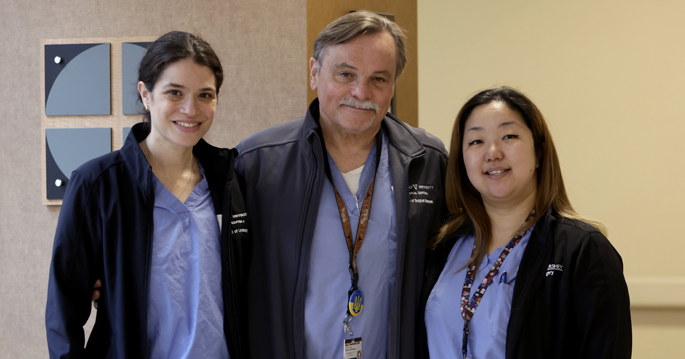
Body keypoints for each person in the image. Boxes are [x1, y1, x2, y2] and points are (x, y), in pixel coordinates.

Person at [234, 11, 447, 359]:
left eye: (379, 79)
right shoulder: (255, 163)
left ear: (394, 85)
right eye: (345, 74)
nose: (361, 92)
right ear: (315, 73)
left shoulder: (429, 161)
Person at [45, 31, 250, 358]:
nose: (190, 109)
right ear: (146, 94)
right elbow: (64, 309)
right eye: (174, 92)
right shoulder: (96, 184)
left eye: (205, 95)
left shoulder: (232, 179)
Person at [417, 87, 632, 358]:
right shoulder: (443, 247)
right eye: (476, 141)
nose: (492, 152)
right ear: (462, 160)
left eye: (509, 136)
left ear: (539, 151)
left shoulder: (583, 251)